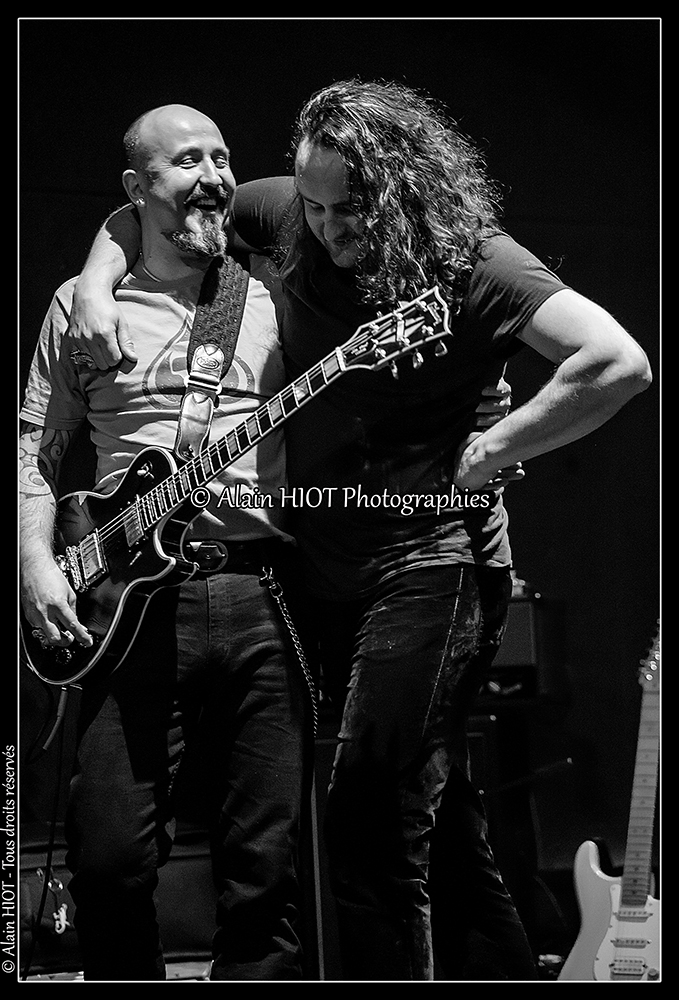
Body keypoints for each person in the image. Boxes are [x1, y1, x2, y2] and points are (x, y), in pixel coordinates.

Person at [64, 80, 652, 981]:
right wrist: (96, 286)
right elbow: (147, 209)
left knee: (370, 823)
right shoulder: (290, 210)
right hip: (324, 572)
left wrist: (491, 447)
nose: (327, 227)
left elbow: (616, 359)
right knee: (437, 826)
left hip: (431, 563)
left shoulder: (475, 261)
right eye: (313, 206)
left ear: (404, 189)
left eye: (350, 209)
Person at [19, 104, 316, 981]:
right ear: (134, 187)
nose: (214, 175)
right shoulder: (81, 307)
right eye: (187, 160)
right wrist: (34, 563)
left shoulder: (269, 295)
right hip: (127, 606)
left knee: (265, 872)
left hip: (259, 596)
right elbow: (34, 448)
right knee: (109, 861)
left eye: (222, 157)